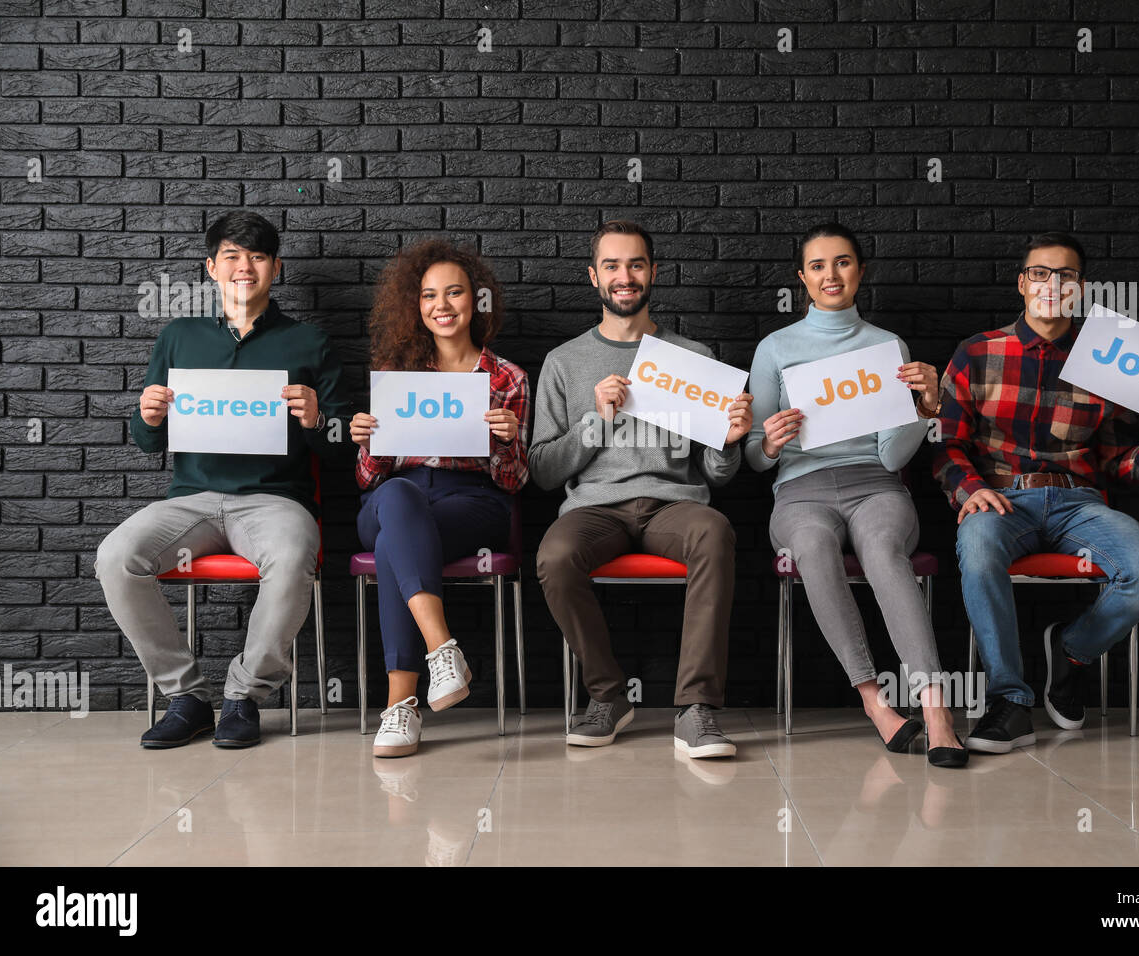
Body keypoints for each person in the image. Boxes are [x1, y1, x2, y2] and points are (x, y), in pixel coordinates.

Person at [935, 232, 1139, 753]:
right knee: (978, 546)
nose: (1052, 285)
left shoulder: (1107, 362)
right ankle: (1010, 703)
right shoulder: (976, 352)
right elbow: (946, 446)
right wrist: (969, 491)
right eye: (1041, 273)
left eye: (1066, 276)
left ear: (1081, 289)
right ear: (1022, 283)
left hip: (1080, 502)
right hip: (1001, 498)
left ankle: (1072, 651)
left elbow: (1118, 465)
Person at [95, 210, 352, 749]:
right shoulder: (179, 337)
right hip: (190, 502)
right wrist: (147, 415)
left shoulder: (309, 343)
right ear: (211, 267)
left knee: (293, 554)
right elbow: (149, 443)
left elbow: (339, 447)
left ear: (275, 269)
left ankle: (244, 696)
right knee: (117, 557)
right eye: (231, 256)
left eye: (257, 256)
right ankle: (187, 698)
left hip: (275, 501)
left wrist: (315, 419)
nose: (244, 267)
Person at [745, 222, 968, 768]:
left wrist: (925, 410)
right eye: (818, 266)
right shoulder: (775, 348)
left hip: (876, 484)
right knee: (815, 549)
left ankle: (936, 709)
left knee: (884, 549)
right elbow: (751, 454)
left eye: (842, 262)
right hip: (799, 492)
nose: (830, 275)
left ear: (860, 272)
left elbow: (893, 456)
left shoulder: (886, 346)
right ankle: (874, 701)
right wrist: (770, 443)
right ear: (802, 278)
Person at [530, 220, 753, 758]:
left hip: (675, 505)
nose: (624, 276)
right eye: (612, 266)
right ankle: (608, 697)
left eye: (635, 264)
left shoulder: (693, 357)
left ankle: (696, 709)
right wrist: (595, 421)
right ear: (593, 277)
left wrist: (727, 442)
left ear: (653, 272)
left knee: (715, 532)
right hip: (595, 509)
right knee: (555, 556)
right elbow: (541, 470)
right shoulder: (564, 362)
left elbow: (719, 475)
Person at [351, 240, 529, 759]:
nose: (442, 305)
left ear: (476, 301)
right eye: (430, 296)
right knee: (399, 500)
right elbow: (369, 479)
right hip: (394, 498)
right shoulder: (397, 372)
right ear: (417, 305)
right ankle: (441, 648)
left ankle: (400, 706)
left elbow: (514, 482)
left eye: (454, 293)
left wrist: (505, 441)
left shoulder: (506, 378)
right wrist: (368, 443)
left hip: (470, 502)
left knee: (394, 547)